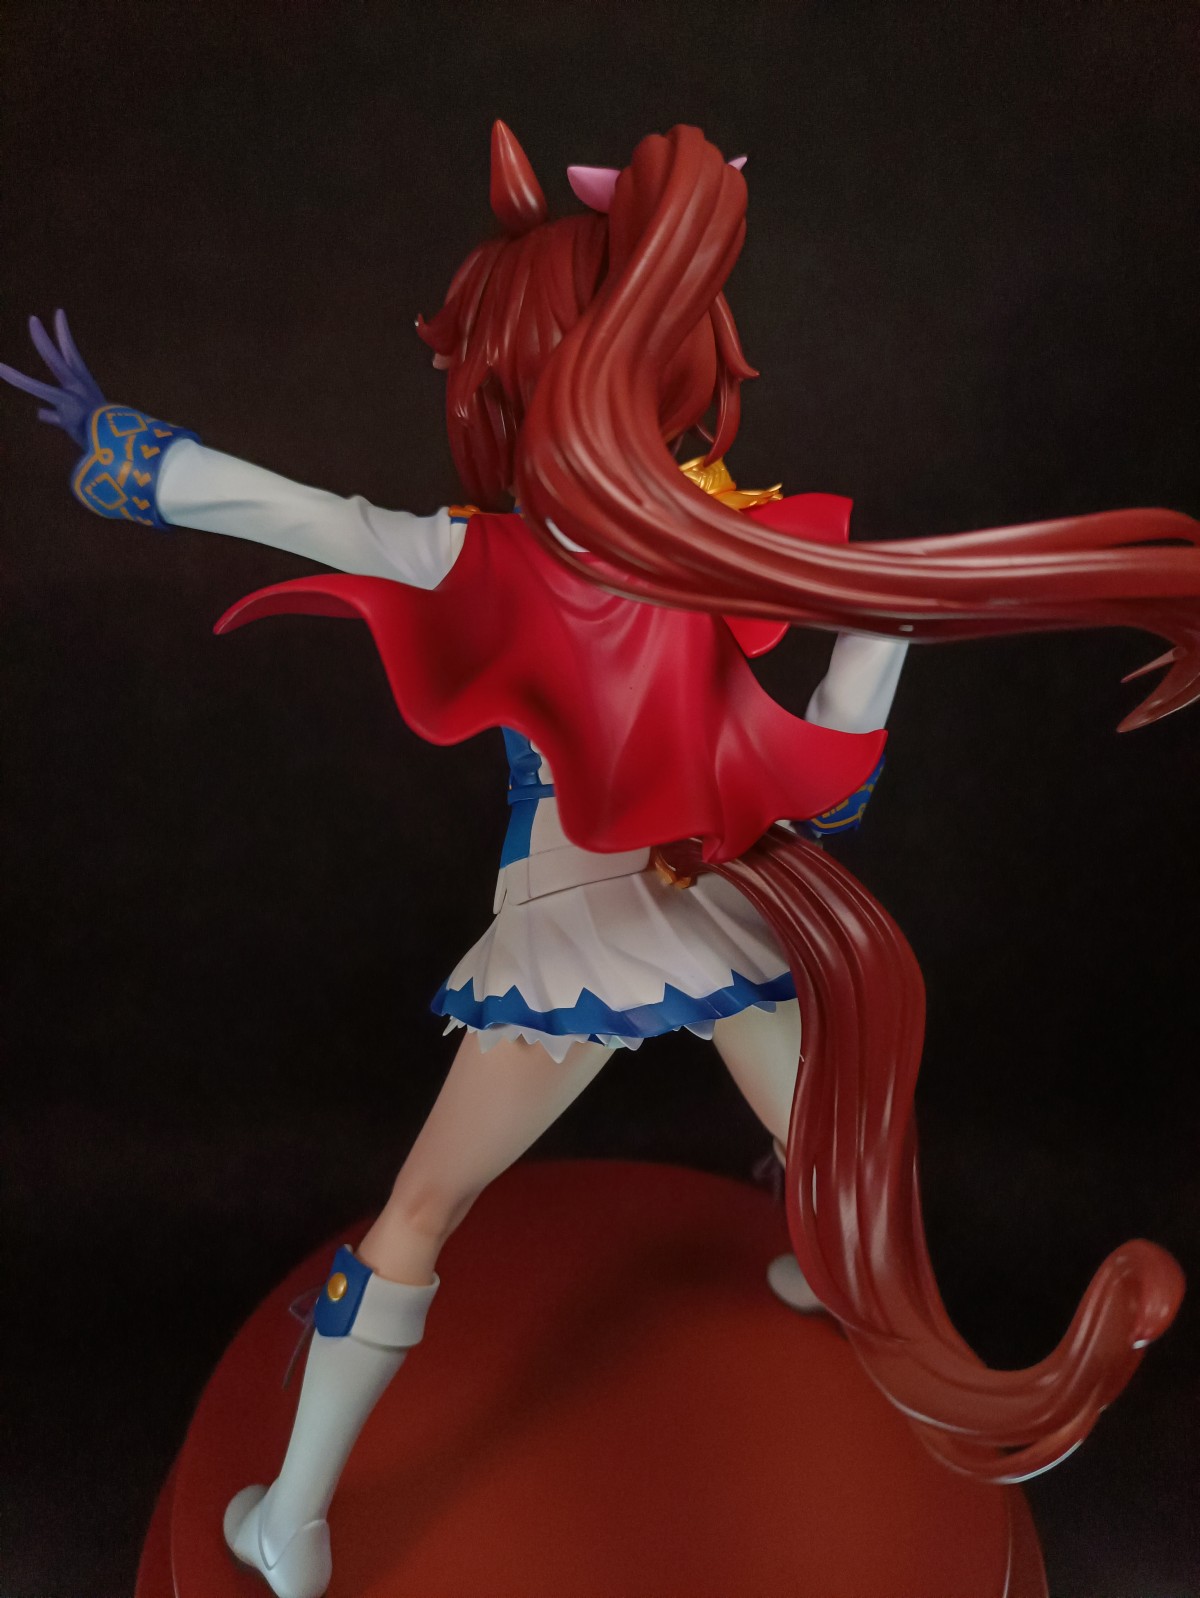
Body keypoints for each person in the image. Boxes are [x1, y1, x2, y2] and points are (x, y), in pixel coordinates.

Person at [2, 121, 1193, 1598]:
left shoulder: (505, 553)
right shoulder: (718, 542)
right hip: (731, 899)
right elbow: (834, 745)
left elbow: (316, 521)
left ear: (504, 375)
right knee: (836, 1146)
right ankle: (885, 1318)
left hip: (587, 927)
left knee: (424, 1216)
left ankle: (289, 1522)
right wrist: (880, 636)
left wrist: (135, 459)